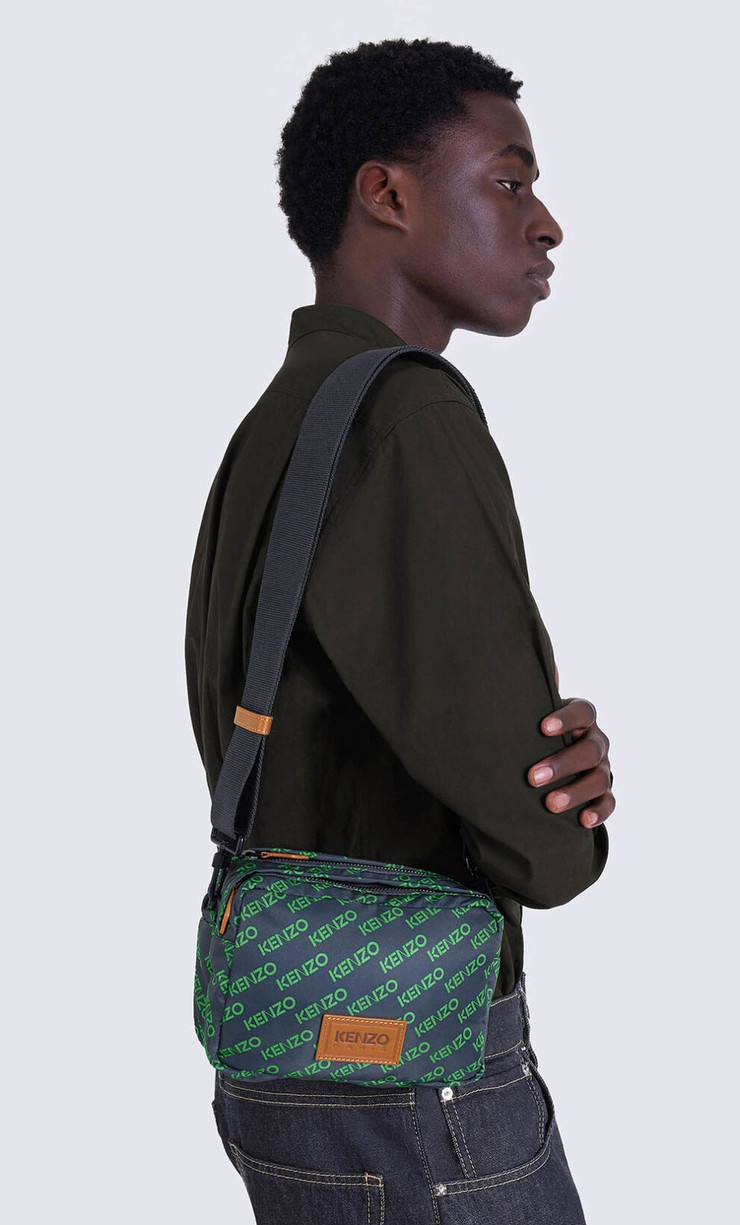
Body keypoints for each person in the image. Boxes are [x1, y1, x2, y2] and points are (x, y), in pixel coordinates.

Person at [185, 36, 614, 1223]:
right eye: (508, 182)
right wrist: (567, 803)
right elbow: (546, 851)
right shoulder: (407, 416)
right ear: (387, 194)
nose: (544, 226)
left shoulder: (281, 422)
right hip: (413, 1077)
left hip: (281, 1049)